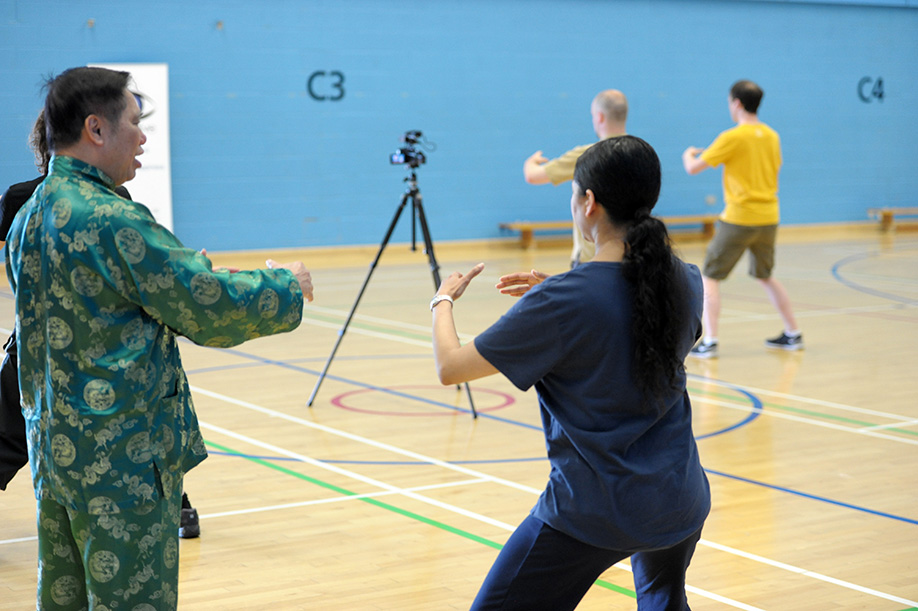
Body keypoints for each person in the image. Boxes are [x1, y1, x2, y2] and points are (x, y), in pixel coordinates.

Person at [5, 66, 314, 610]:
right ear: (96, 130)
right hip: (120, 465)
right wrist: (286, 285)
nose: (143, 137)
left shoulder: (28, 215)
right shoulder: (110, 219)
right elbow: (201, 303)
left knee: (65, 599)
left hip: (57, 456)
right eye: (135, 122)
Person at [433, 136, 710, 610]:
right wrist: (560, 296)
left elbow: (451, 367)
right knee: (664, 600)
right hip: (678, 498)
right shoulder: (684, 279)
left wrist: (442, 301)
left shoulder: (561, 302)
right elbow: (632, 325)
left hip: (596, 509)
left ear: (589, 202)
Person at [0, 110, 203, 540]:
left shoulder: (110, 201)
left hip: (50, 350)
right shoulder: (85, 203)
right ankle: (179, 508)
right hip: (82, 351)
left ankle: (177, 504)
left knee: (11, 433)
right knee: (135, 425)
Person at [682, 79, 803, 358]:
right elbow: (777, 167)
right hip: (769, 216)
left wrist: (688, 154)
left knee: (710, 276)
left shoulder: (732, 137)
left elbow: (693, 168)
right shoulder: (772, 135)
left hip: (739, 218)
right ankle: (793, 333)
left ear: (736, 103)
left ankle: (710, 341)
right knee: (766, 275)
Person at [523, 89, 628, 267]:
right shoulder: (640, 153)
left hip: (592, 258)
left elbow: (533, 176)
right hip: (630, 255)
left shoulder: (589, 154)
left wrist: (530, 162)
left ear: (600, 117)